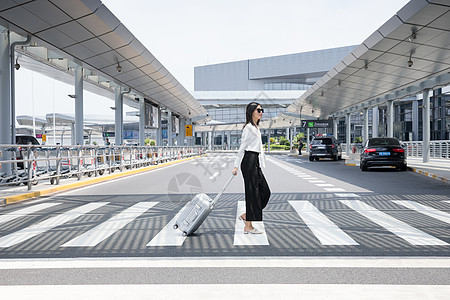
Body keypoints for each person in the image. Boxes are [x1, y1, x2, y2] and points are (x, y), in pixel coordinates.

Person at [232, 102, 271, 234]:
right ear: (251, 112)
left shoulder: (255, 127)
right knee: (252, 193)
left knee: (265, 192)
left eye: (262, 110)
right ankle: (248, 225)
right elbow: (242, 147)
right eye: (258, 110)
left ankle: (246, 216)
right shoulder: (248, 128)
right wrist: (236, 166)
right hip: (248, 161)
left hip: (255, 162)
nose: (261, 112)